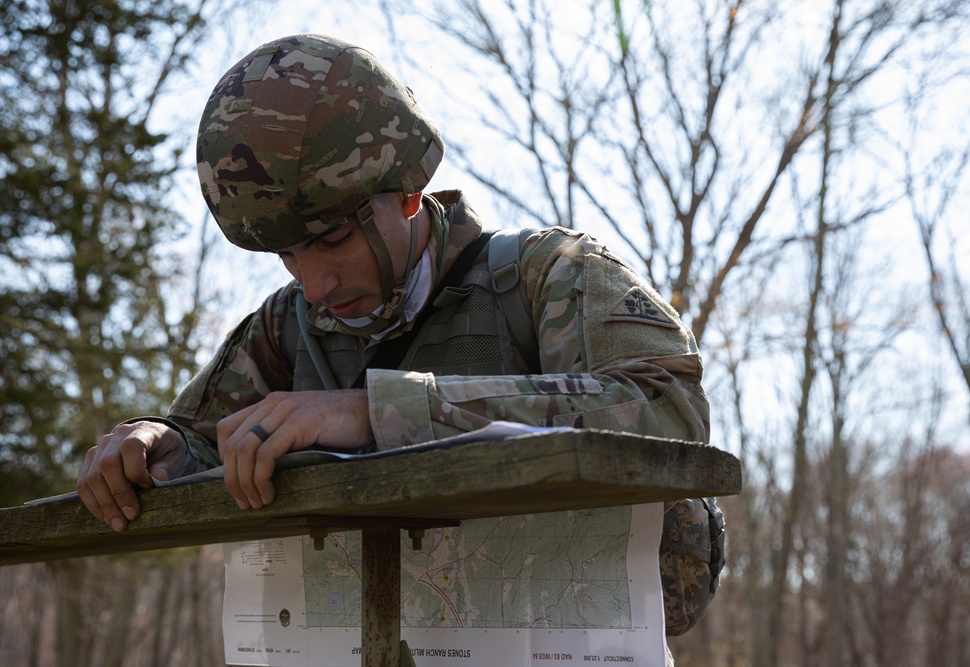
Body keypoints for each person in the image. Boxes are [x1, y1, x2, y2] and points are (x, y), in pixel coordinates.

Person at [76, 33, 722, 639]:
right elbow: (203, 441)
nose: (315, 284)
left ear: (408, 194)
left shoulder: (547, 274)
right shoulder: (286, 327)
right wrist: (151, 446)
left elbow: (669, 406)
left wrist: (379, 412)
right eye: (287, 256)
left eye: (333, 240)